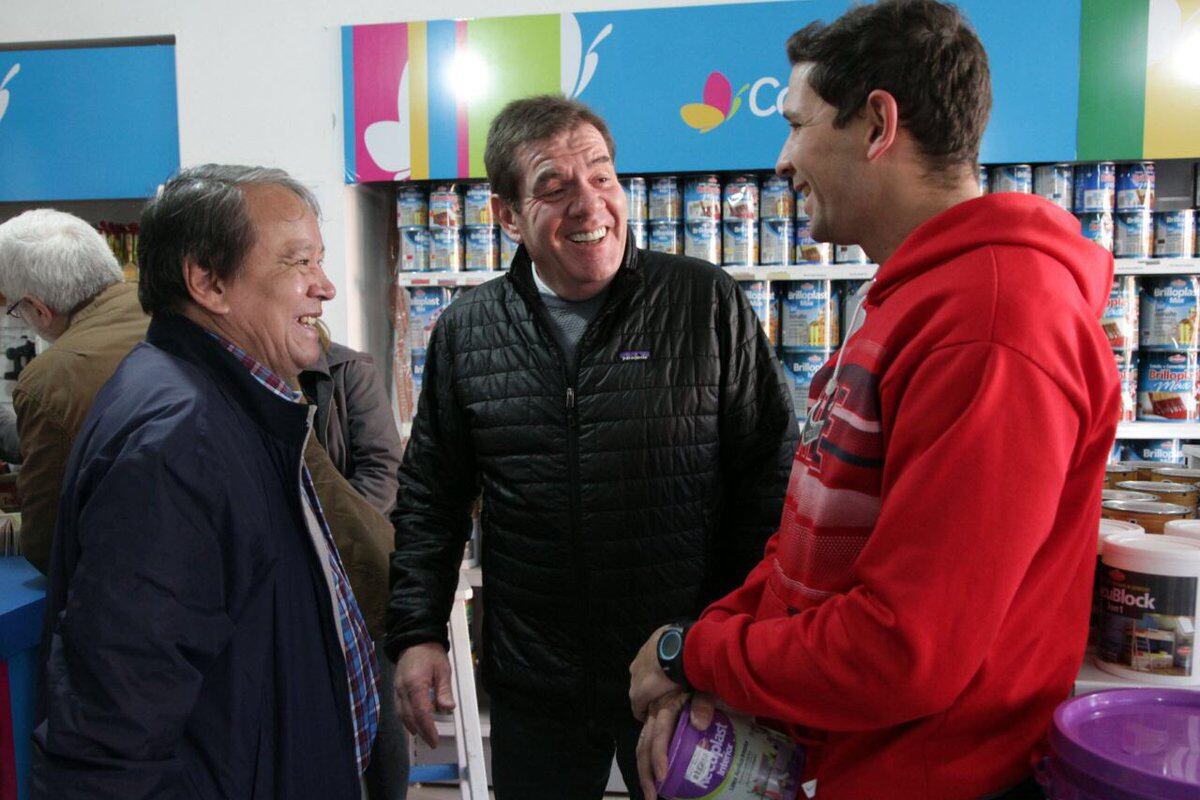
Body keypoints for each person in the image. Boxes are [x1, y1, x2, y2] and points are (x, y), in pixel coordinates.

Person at [629, 2, 1120, 798]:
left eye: (797, 125)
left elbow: (906, 651)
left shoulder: (995, 325)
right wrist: (703, 646)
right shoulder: (911, 298)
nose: (782, 161)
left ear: (877, 125)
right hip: (855, 763)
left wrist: (698, 657)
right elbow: (812, 551)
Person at [387, 95, 798, 799]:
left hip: (683, 675)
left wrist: (720, 646)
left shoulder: (704, 303)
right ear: (507, 216)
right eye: (554, 187)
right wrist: (417, 631)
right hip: (537, 686)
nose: (589, 204)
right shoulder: (468, 331)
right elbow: (432, 495)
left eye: (602, 176)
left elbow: (770, 485)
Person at [34, 165, 379, 799]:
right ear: (208, 282)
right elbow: (115, 720)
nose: (324, 286)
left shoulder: (236, 405)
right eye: (298, 262)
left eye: (320, 260)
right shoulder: (178, 441)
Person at [0, 209, 148, 573]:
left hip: (131, 585)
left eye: (16, 309)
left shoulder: (51, 378)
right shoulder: (182, 313)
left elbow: (49, 545)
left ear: (38, 309)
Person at [300, 331, 408, 800]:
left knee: (379, 703)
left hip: (355, 564)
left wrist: (326, 536)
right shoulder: (254, 375)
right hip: (293, 573)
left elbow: (383, 471)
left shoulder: (347, 370)